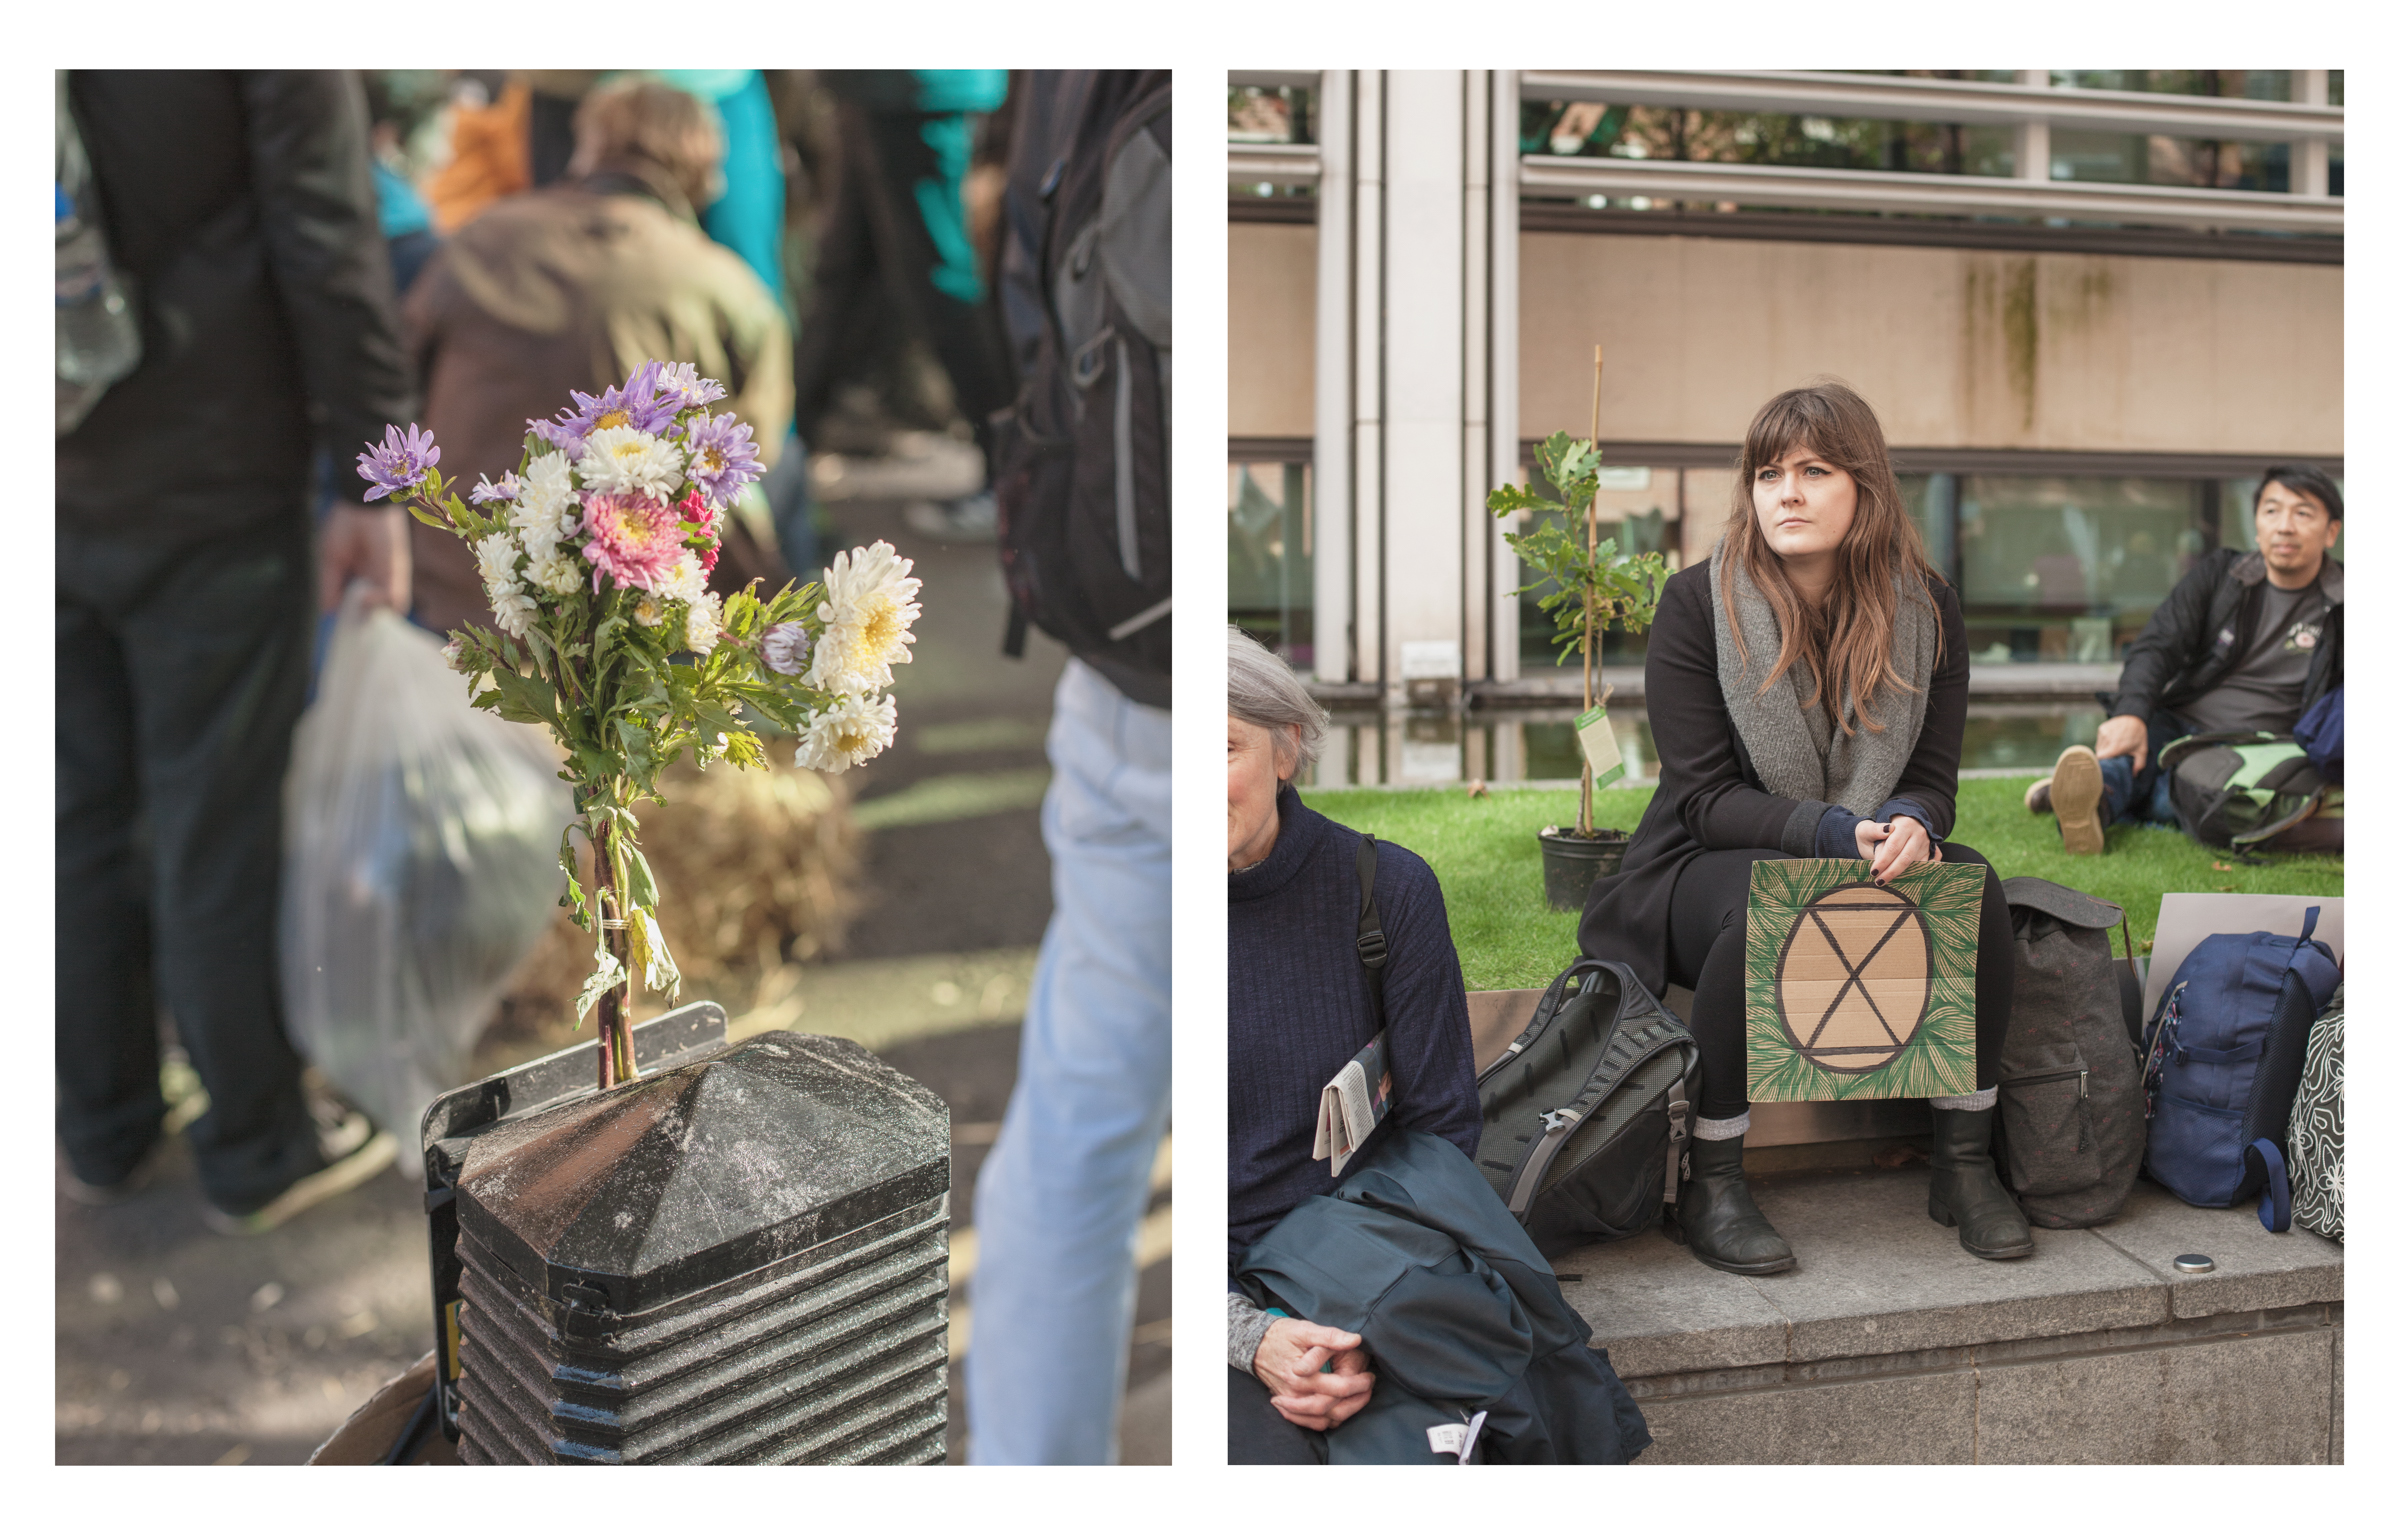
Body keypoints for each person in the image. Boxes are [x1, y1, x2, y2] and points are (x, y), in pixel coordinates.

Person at [57, 70, 415, 1231]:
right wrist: (375, 470)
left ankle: (103, 1124)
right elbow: (323, 226)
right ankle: (255, 1138)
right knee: (216, 810)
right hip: (207, 455)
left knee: (72, 807)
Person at [1577, 382, 2028, 1275]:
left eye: (1815, 470)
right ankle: (1713, 1176)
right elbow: (1705, 795)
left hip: (1852, 848)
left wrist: (1909, 822)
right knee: (1772, 900)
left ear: (1863, 485)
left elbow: (1934, 781)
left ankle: (1965, 1163)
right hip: (1700, 862)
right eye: (1769, 472)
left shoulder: (1926, 609)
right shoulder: (1695, 605)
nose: (1786, 490)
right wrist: (1832, 833)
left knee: (1971, 887)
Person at [961, 71, 1170, 1466]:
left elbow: (1015, 289)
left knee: (1077, 1131)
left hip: (1119, 653)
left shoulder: (1064, 68)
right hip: (1174, 678)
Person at [401, 76, 792, 635]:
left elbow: (397, 383)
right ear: (703, 170)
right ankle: (779, 658)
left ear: (589, 145)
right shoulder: (729, 287)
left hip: (464, 585)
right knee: (787, 481)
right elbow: (761, 448)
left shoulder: (476, 241)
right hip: (638, 614)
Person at [1224, 626, 1482, 1463]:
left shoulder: (1389, 892)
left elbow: (1443, 1132)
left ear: (1287, 749)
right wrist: (1249, 1335)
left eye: (1219, 749)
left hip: (1362, 1265)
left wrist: (1371, 1318)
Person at [2026, 466, 2343, 854]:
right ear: (2257, 524)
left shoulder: (2348, 603)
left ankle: (2089, 796)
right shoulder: (2223, 576)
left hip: (2262, 746)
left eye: (2303, 513)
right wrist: (2131, 713)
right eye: (2272, 511)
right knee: (2134, 749)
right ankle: (2095, 798)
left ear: (2331, 531)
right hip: (2182, 721)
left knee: (2187, 793)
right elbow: (2158, 643)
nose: (2285, 526)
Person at [787, 70, 1014, 544]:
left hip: (917, 84)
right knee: (846, 268)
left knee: (939, 278)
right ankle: (786, 447)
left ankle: (1013, 473)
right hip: (880, 85)